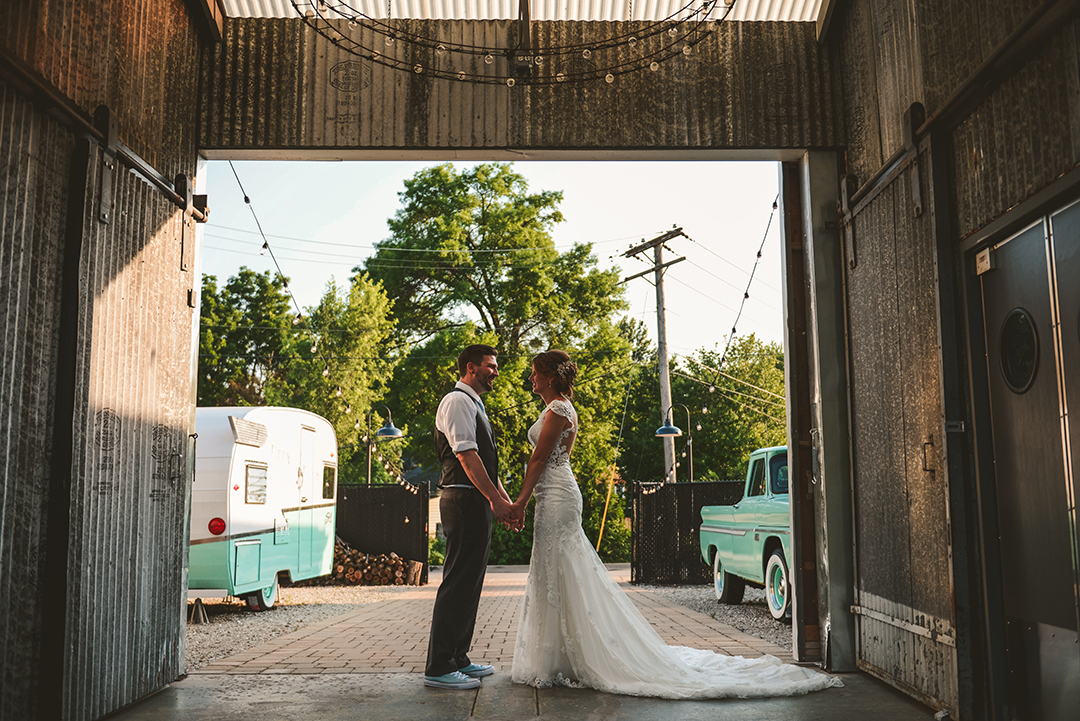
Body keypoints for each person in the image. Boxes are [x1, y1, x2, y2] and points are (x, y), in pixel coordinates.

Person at [509, 349, 843, 699]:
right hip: (552, 495)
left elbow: (539, 458)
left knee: (563, 568)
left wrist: (518, 502)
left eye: (534, 373)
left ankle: (577, 655)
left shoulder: (559, 409)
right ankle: (561, 655)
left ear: (550, 376)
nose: (531, 379)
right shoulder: (555, 409)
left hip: (558, 496)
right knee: (553, 570)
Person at [424, 344, 519, 690]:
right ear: (470, 368)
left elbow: (487, 466)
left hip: (476, 500)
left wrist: (505, 503)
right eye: (490, 366)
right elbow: (466, 457)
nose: (496, 372)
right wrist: (494, 500)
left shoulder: (475, 404)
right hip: (462, 499)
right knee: (458, 582)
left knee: (471, 582)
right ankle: (438, 667)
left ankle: (458, 658)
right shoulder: (458, 401)